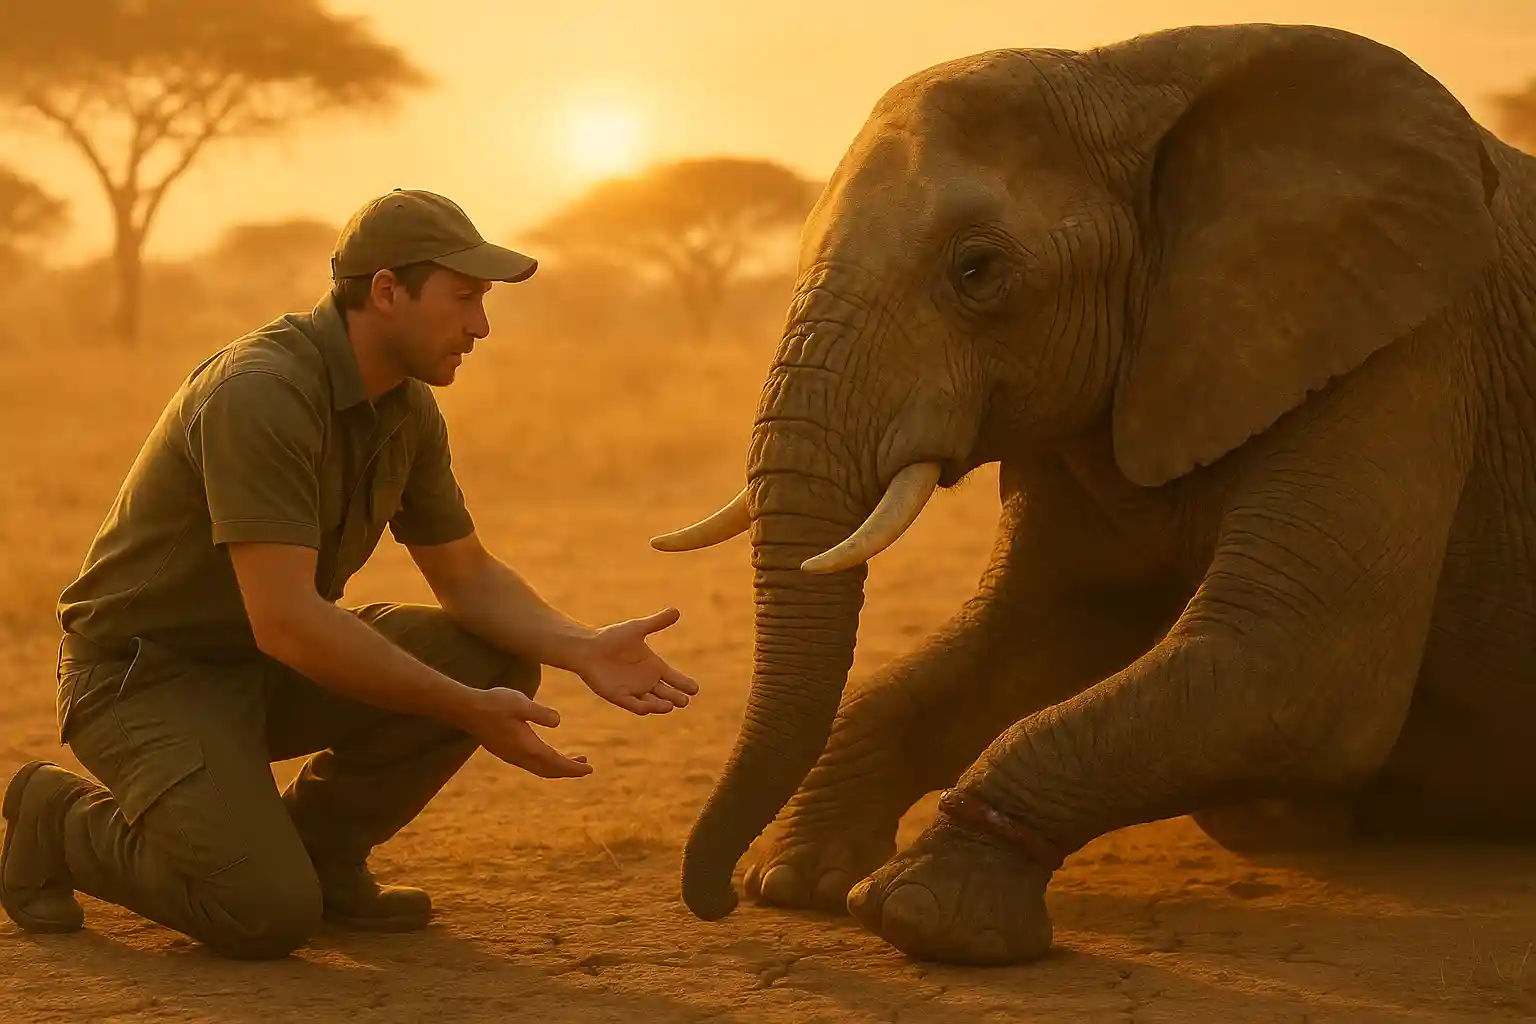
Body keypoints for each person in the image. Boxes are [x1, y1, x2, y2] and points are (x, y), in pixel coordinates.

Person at [0, 189, 700, 959]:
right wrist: (465, 708)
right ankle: (57, 819)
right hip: (147, 681)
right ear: (386, 291)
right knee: (261, 912)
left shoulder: (406, 407)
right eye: (464, 298)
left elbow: (464, 575)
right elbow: (289, 622)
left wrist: (581, 645)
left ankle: (322, 856)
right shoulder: (260, 394)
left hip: (263, 667)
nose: (481, 325)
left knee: (492, 654)